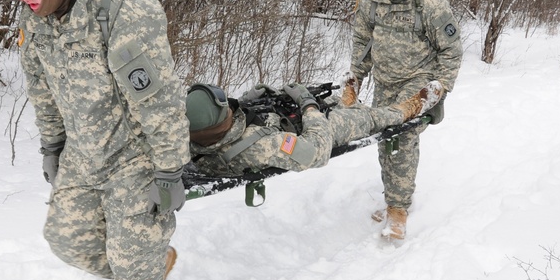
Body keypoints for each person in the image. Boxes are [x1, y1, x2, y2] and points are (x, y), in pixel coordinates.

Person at [4, 0, 190, 280]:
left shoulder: (122, 12)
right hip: (85, 150)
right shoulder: (37, 17)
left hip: (135, 150)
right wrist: (52, 148)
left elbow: (160, 101)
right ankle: (150, 260)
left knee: (128, 247)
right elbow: (41, 88)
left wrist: (169, 168)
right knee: (66, 240)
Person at [344, 0, 463, 241]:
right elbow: (362, 44)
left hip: (418, 80)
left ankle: (399, 210)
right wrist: (354, 81)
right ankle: (391, 198)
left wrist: (438, 89)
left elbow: (450, 50)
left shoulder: (429, 1)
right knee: (385, 140)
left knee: (404, 137)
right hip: (385, 81)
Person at [185, 81, 439, 178]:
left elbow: (219, 125)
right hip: (311, 133)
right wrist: (307, 106)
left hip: (275, 120)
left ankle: (343, 102)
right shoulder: (263, 147)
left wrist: (248, 100)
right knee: (365, 119)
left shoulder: (193, 139)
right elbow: (316, 151)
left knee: (315, 99)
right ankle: (408, 109)